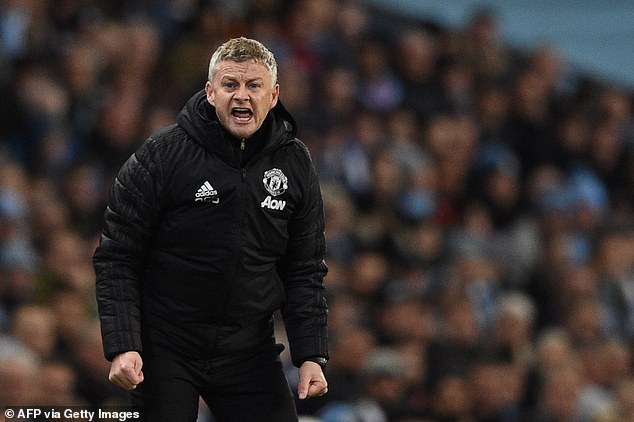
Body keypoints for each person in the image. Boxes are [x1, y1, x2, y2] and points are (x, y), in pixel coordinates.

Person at [93, 37, 329, 421]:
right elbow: (118, 255)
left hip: (249, 348)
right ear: (210, 92)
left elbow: (304, 268)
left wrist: (311, 355)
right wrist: (123, 344)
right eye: (230, 84)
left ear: (273, 96)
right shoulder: (162, 155)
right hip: (165, 343)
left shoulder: (295, 164)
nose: (242, 96)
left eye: (254, 85)